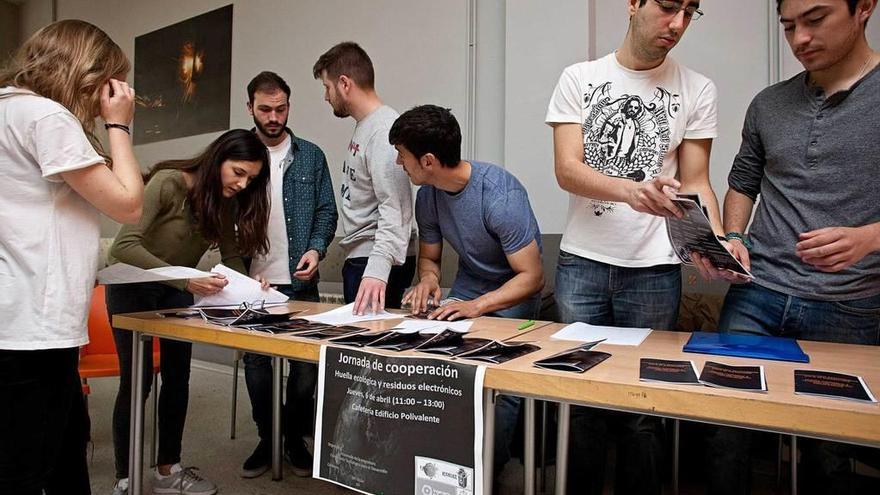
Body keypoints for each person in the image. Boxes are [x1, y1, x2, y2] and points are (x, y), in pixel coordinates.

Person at [696, 1, 880, 493]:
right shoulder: (768, 103)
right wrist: (733, 236)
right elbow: (742, 182)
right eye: (788, 26)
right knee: (722, 424)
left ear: (864, 8)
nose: (799, 38)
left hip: (850, 304)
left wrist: (870, 237)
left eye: (815, 20)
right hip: (758, 293)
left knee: (831, 446)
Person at [545, 1, 719, 493]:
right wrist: (630, 190)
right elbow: (566, 169)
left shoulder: (697, 88)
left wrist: (720, 239)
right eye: (668, 7)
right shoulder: (579, 78)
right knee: (580, 398)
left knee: (645, 407)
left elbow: (698, 181)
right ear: (634, 4)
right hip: (583, 263)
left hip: (655, 269)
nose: (678, 24)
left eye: (690, 12)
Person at [0, 20, 143, 495]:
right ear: (88, 73)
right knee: (31, 462)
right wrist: (118, 124)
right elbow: (128, 203)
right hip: (35, 322)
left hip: (19, 313)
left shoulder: (7, 110)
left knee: (65, 448)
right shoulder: (45, 116)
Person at [106, 129, 271, 495]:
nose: (243, 184)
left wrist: (250, 287)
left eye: (251, 179)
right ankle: (125, 476)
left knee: (178, 380)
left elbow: (230, 258)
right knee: (138, 383)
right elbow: (123, 247)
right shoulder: (168, 183)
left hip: (178, 293)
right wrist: (186, 281)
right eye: (239, 172)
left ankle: (168, 470)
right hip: (132, 288)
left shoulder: (223, 201)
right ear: (218, 159)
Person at [391, 104, 544, 480]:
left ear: (427, 161)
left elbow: (532, 277)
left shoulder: (500, 196)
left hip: (513, 293)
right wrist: (427, 279)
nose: (399, 163)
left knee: (501, 381)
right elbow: (430, 258)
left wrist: (477, 307)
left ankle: (486, 469)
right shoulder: (428, 195)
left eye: (403, 156)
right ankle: (446, 460)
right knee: (441, 362)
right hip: (470, 287)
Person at [239, 71, 338, 479]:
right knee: (259, 366)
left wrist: (316, 249)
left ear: (288, 107)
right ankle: (267, 436)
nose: (273, 117)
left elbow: (326, 210)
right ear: (251, 109)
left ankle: (293, 434)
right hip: (252, 282)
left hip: (301, 282)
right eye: (265, 109)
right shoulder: (238, 152)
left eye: (280, 108)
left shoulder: (311, 155)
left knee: (305, 367)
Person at [313, 41, 417, 315]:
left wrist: (377, 271)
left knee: (369, 354)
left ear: (344, 83)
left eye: (327, 87)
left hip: (375, 264)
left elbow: (396, 208)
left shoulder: (384, 131)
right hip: (363, 258)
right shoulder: (366, 126)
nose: (326, 97)